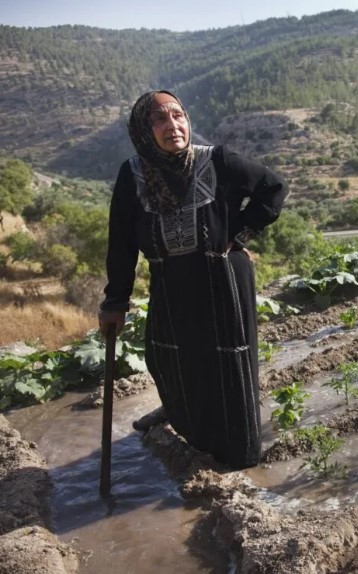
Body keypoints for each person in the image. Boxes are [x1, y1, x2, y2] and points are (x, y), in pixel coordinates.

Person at [98, 91, 287, 469]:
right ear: (143, 130)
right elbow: (121, 242)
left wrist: (239, 234)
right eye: (159, 119)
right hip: (170, 282)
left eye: (178, 115)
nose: (173, 126)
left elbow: (273, 188)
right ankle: (185, 421)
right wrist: (115, 301)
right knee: (167, 357)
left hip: (223, 280)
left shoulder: (216, 160)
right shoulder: (133, 175)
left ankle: (236, 450)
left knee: (226, 366)